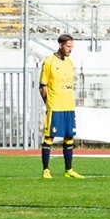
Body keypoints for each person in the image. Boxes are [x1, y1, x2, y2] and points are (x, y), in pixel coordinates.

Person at [39, 34, 84, 179]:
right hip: (55, 106)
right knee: (50, 137)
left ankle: (68, 169)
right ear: (60, 45)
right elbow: (43, 86)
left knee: (69, 137)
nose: (70, 49)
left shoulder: (70, 63)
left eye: (72, 46)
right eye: (68, 46)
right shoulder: (49, 62)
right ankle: (46, 169)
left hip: (68, 105)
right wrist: (49, 103)